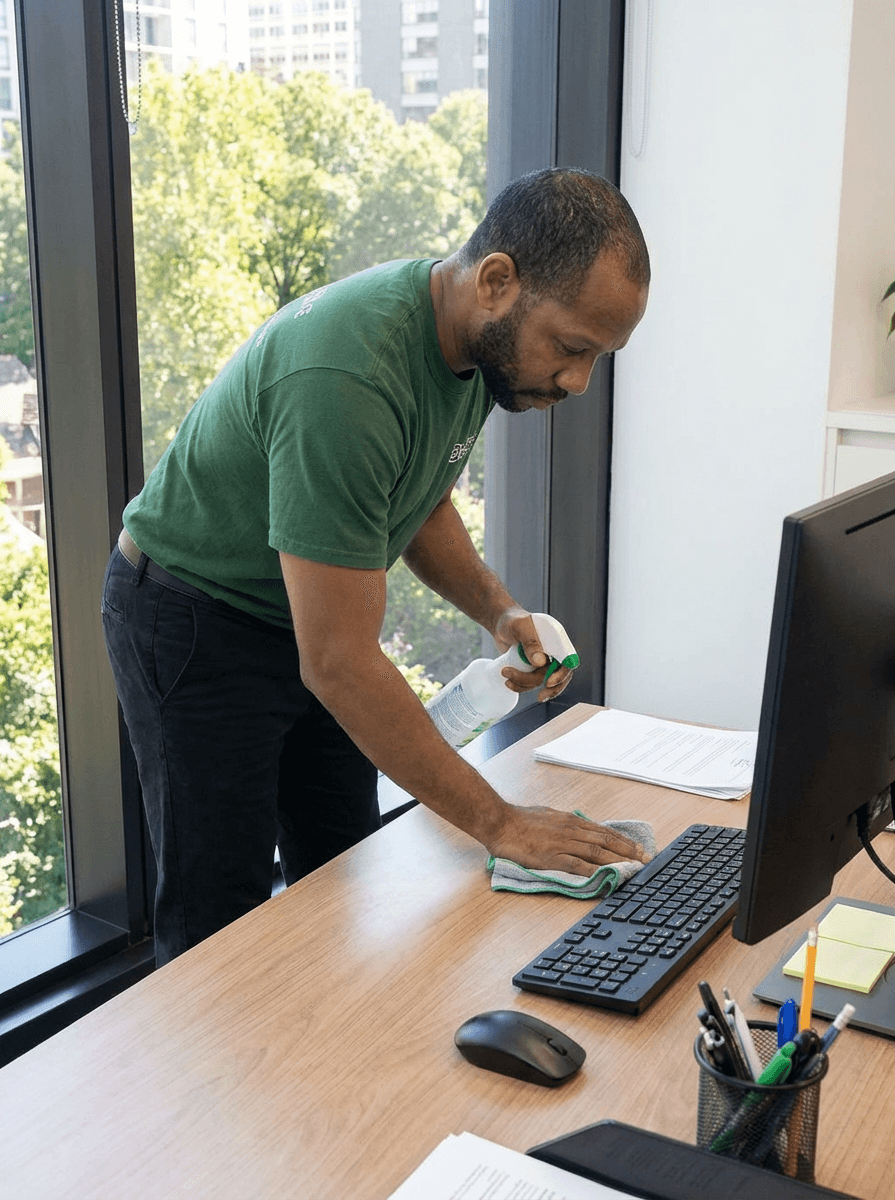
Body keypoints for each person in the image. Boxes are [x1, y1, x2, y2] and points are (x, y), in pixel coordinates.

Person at [102, 167, 651, 966]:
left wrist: (498, 611)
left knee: (341, 871)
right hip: (195, 618)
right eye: (571, 348)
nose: (577, 381)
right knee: (218, 925)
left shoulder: (472, 345)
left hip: (303, 616)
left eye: (598, 356)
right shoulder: (349, 376)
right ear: (497, 281)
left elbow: (417, 497)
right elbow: (339, 663)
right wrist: (502, 823)